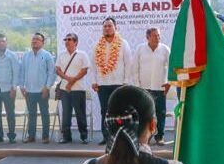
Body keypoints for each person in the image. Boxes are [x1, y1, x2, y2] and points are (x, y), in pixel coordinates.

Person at [91, 17, 132, 145]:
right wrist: (94, 81)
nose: (107, 28)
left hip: (119, 83)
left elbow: (128, 63)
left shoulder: (123, 43)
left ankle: (120, 137)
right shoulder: (97, 45)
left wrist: (126, 81)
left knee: (119, 111)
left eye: (109, 26)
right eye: (105, 26)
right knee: (105, 111)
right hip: (102, 84)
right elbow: (93, 65)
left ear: (116, 27)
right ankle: (107, 136)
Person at [133, 27, 171, 145]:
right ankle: (146, 137)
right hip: (144, 88)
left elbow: (171, 68)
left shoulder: (165, 49)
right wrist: (137, 86)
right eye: (154, 36)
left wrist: (169, 82)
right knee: (145, 114)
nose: (157, 38)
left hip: (160, 87)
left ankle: (160, 137)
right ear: (148, 37)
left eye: (159, 35)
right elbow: (135, 69)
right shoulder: (140, 49)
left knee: (160, 113)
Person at [19, 32, 56, 143]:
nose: (34, 41)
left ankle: (45, 136)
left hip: (42, 90)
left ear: (42, 43)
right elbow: (22, 73)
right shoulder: (26, 55)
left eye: (37, 39)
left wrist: (47, 87)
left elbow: (51, 73)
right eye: (33, 39)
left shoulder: (47, 55)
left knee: (45, 114)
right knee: (32, 114)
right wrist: (22, 86)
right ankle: (31, 136)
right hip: (29, 91)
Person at [55, 32, 90, 144]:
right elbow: (57, 70)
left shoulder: (82, 54)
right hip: (65, 90)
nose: (67, 41)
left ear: (75, 42)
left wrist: (72, 81)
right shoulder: (61, 54)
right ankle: (66, 137)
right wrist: (67, 78)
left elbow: (84, 70)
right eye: (65, 39)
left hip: (78, 89)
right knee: (66, 113)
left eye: (69, 39)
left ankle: (84, 136)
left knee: (80, 113)